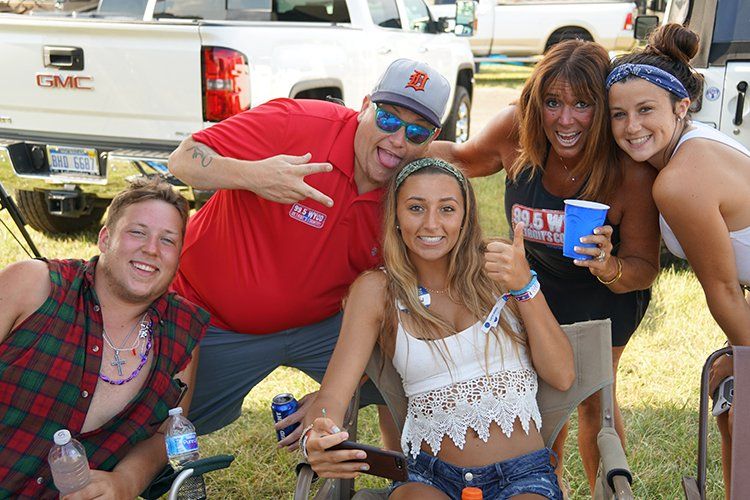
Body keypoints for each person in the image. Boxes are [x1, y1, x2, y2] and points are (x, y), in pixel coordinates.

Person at [167, 58, 450, 449]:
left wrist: (331, 396)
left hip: (323, 326)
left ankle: (406, 469)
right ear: (365, 105)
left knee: (421, 378)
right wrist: (255, 176)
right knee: (163, 422)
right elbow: (183, 158)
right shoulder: (296, 123)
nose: (399, 139)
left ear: (431, 138)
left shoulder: (412, 188)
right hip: (214, 319)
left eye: (417, 131)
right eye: (387, 119)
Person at [428, 39, 660, 492]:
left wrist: (608, 265)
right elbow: (460, 158)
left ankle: (604, 491)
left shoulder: (629, 171)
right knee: (536, 400)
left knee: (596, 403)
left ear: (604, 106)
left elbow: (644, 268)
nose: (565, 119)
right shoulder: (519, 131)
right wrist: (395, 140)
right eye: (553, 102)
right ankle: (541, 488)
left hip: (604, 296)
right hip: (535, 288)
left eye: (583, 104)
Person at [300, 158, 574, 498]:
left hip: (522, 476)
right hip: (430, 478)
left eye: (447, 209)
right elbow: (332, 396)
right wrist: (317, 431)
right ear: (396, 217)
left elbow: (562, 374)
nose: (431, 224)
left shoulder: (499, 270)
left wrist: (525, 287)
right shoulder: (377, 291)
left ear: (465, 217)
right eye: (416, 208)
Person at [607, 23, 750, 498]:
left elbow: (724, 292)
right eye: (618, 114)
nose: (632, 127)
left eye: (646, 110)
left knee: (741, 399)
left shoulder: (679, 180)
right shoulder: (695, 143)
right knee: (730, 396)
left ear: (681, 106)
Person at [0, 178, 209, 499]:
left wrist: (126, 482)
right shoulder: (34, 285)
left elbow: (167, 432)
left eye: (167, 240)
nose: (151, 249)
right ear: (104, 238)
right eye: (137, 232)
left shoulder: (182, 334)